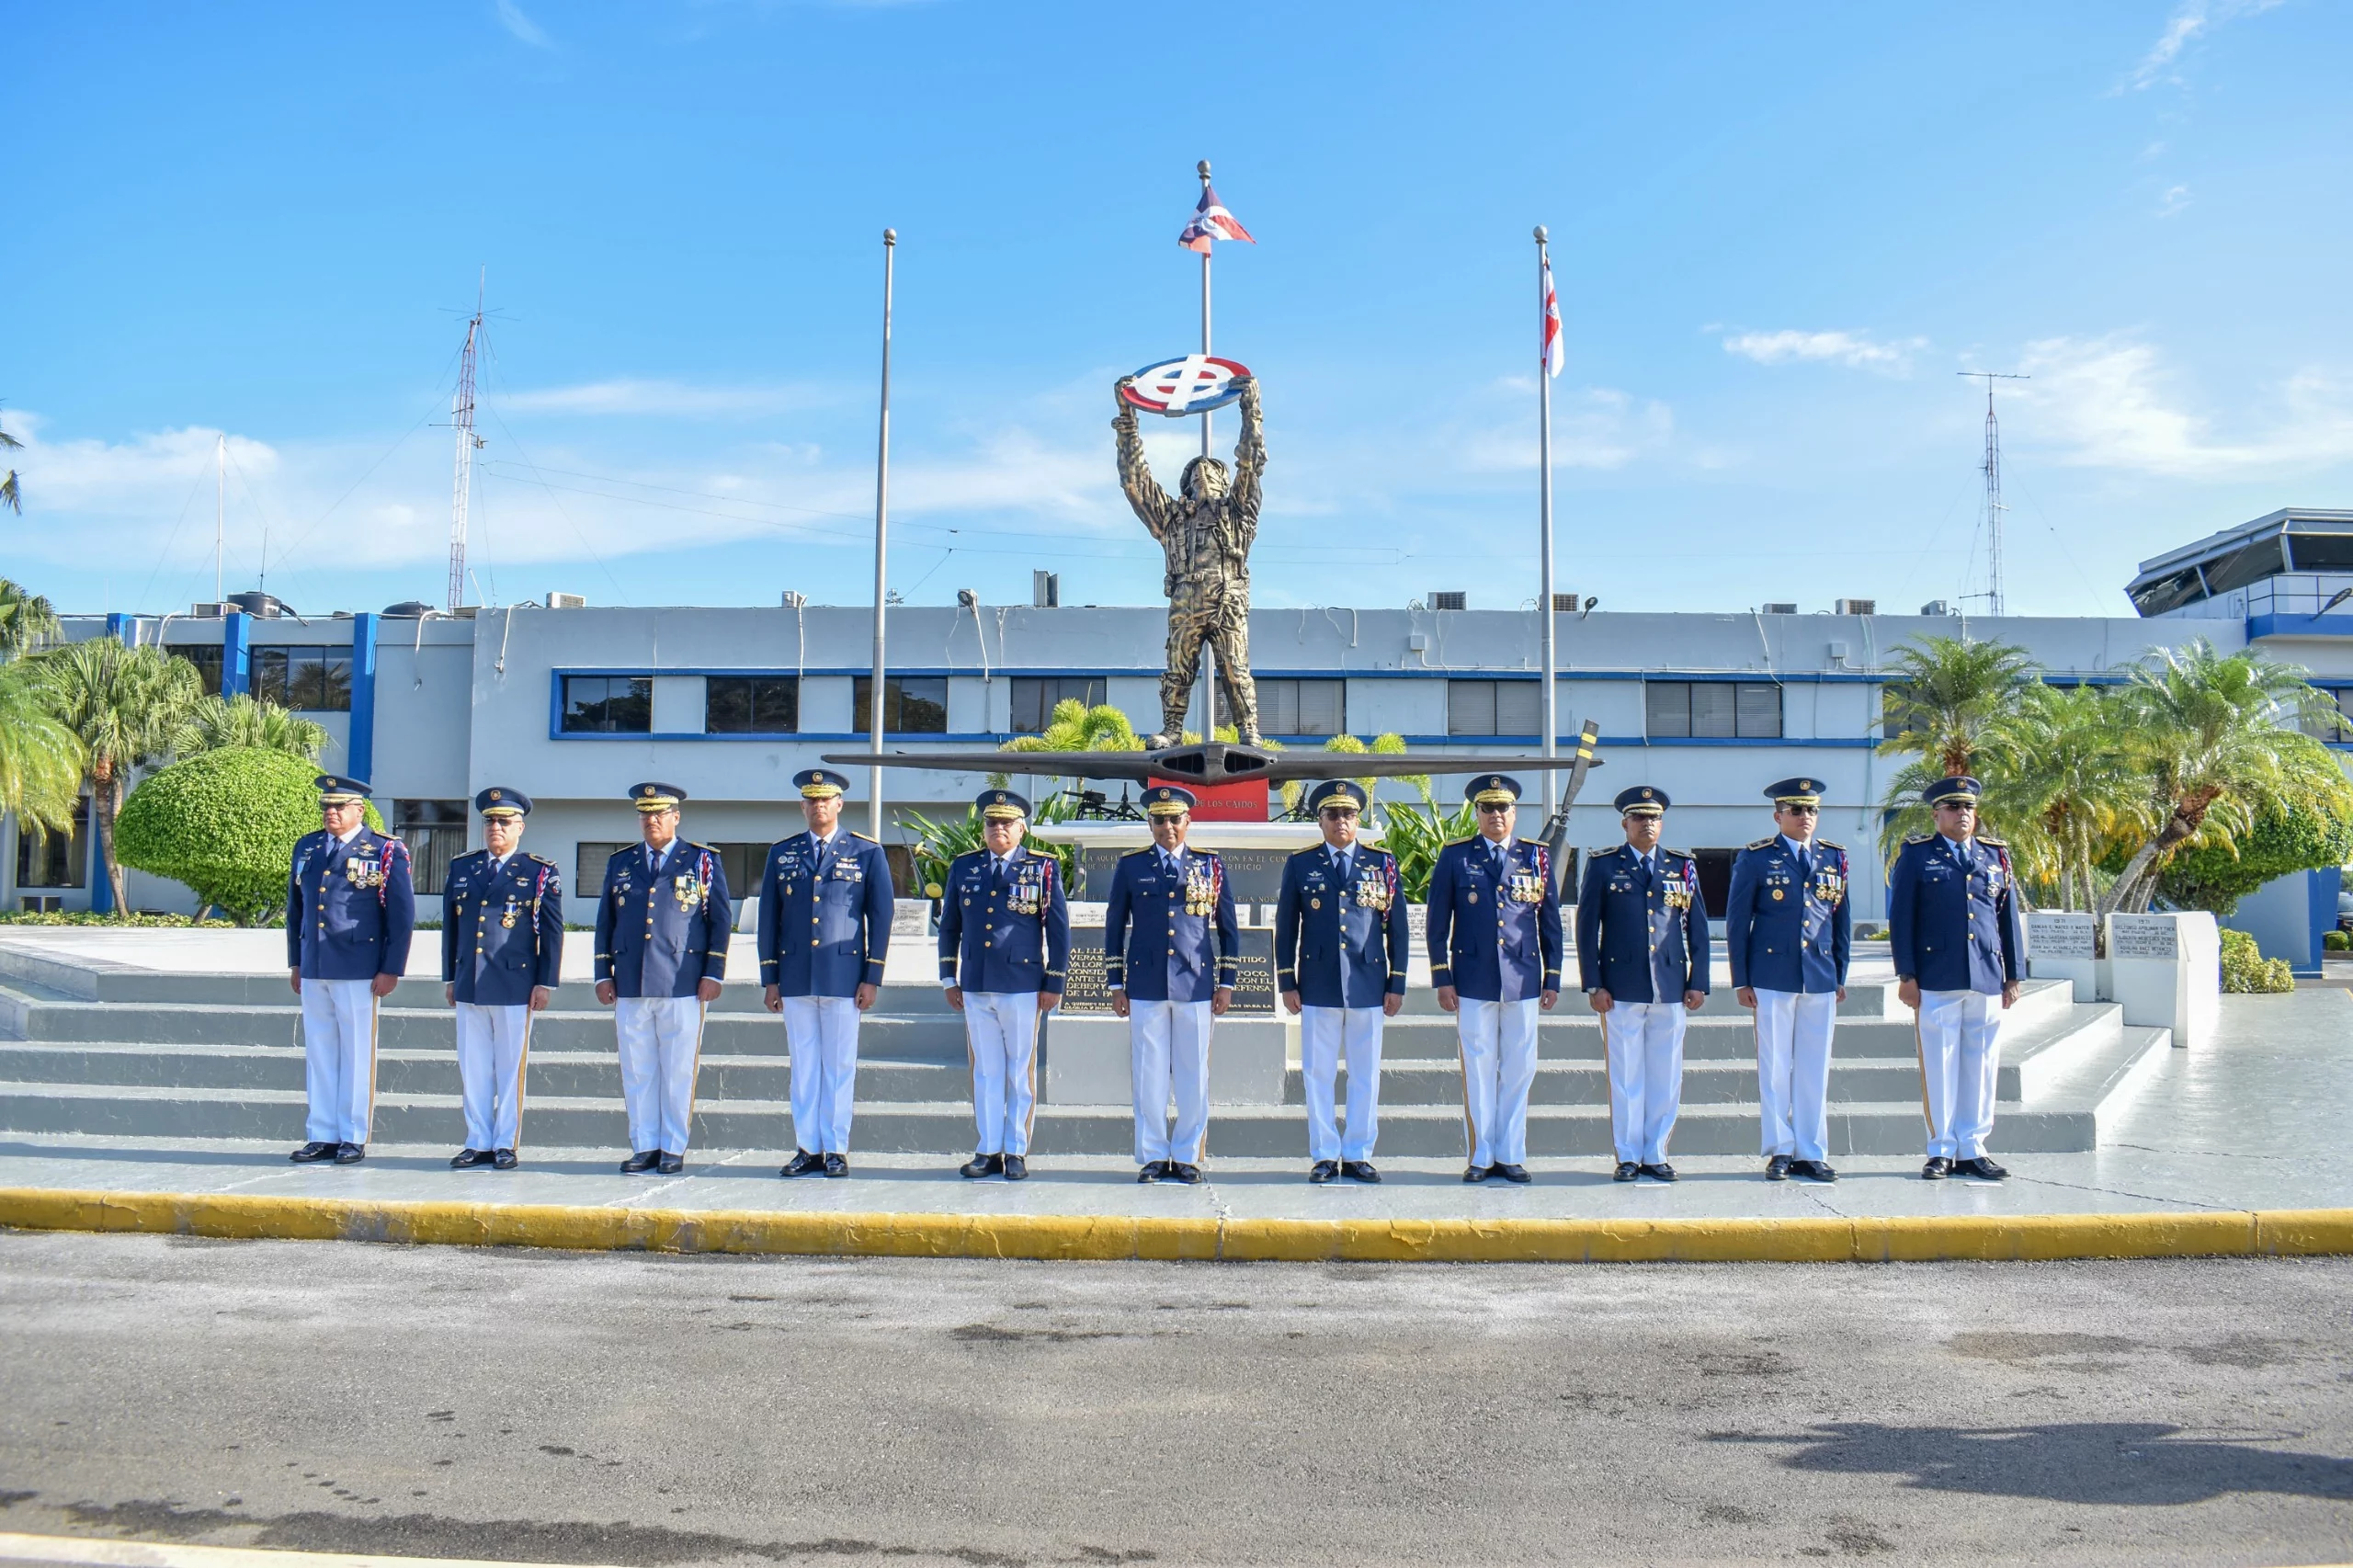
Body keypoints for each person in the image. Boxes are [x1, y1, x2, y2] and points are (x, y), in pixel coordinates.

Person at [1112, 371, 1267, 745]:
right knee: (1178, 668)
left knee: (1236, 669)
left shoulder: (1239, 511)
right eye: (1196, 473)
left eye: (1212, 472)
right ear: (1186, 485)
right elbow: (1135, 480)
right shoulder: (1171, 518)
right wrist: (1128, 419)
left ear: (1224, 482)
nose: (1204, 474)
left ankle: (1248, 730)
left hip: (1228, 596)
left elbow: (1250, 462)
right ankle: (1173, 729)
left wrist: (1251, 410)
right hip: (1185, 598)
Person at [1887, 773, 2024, 1182]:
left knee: (1982, 1065)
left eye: (1967, 807)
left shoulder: (1995, 856)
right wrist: (1906, 974)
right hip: (1936, 976)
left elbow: (2007, 919)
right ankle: (1942, 1149)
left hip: (1985, 974)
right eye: (1952, 807)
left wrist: (2013, 975)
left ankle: (1974, 1148)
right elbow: (1901, 919)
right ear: (1936, 814)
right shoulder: (1916, 855)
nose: (1961, 814)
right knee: (1940, 1063)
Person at [1427, 775, 1562, 1186]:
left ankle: (1511, 1152)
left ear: (1514, 813)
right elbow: (1437, 923)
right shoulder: (1455, 857)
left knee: (1520, 1067)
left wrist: (1552, 976)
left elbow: (1550, 922)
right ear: (1477, 813)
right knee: (1479, 1065)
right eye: (1488, 808)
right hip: (1472, 976)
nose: (1496, 815)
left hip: (1521, 976)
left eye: (1503, 808)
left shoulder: (1536, 858)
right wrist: (1441, 977)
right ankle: (1482, 1153)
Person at [761, 767, 894, 1178]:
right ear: (803, 806)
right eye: (811, 800)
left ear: (839, 804)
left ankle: (836, 1148)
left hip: (843, 976)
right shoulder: (781, 853)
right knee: (804, 1066)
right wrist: (770, 978)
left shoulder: (866, 851)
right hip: (797, 975)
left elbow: (881, 915)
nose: (819, 806)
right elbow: (769, 917)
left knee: (838, 1065)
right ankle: (807, 1148)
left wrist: (872, 977)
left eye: (826, 799)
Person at [1103, 785, 1238, 1185]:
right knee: (1149, 1072)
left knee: (1194, 1073)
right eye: (1159, 820)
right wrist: (1115, 983)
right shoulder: (1131, 866)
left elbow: (1228, 929)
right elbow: (1114, 928)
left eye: (1175, 819)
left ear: (1188, 821)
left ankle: (1187, 1155)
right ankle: (1153, 1155)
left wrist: (1226, 982)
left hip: (1195, 982)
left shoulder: (1209, 866)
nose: (1167, 827)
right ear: (1150, 823)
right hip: (1145, 983)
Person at [1274, 779, 1407, 1184]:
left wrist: (1396, 982)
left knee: (1365, 1071)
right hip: (1319, 981)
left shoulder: (1381, 863)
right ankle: (1325, 1154)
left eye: (1348, 814)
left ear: (1359, 819)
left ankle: (1359, 1153)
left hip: (1368, 981)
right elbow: (1286, 926)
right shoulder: (1301, 864)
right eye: (1332, 814)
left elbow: (1397, 928)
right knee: (1318, 1072)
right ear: (1320, 820)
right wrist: (1287, 981)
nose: (1341, 821)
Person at [595, 782, 730, 1176]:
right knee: (638, 1070)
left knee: (677, 1070)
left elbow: (720, 920)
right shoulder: (621, 862)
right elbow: (607, 921)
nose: (651, 820)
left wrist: (712, 972)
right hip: (631, 982)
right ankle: (645, 1145)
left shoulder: (701, 861)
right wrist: (603, 973)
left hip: (681, 981)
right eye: (645, 814)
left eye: (659, 813)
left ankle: (672, 1146)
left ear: (676, 817)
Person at [1576, 786, 1710, 1184]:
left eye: (1653, 818)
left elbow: (1697, 928)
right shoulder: (1603, 865)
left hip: (1669, 983)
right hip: (1621, 985)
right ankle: (1629, 1154)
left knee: (1665, 1074)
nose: (1646, 824)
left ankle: (1656, 1151)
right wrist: (1593, 983)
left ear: (1661, 823)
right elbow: (1587, 929)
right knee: (1626, 1074)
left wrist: (1698, 980)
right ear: (1625, 823)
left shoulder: (1681, 866)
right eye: (1638, 817)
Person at [938, 788, 1069, 1180]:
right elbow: (950, 927)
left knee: (1018, 1072)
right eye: (992, 823)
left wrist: (1054, 981)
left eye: (1006, 823)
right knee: (985, 1071)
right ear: (983, 829)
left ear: (1022, 828)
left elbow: (1058, 929)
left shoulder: (1042, 868)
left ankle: (1015, 1150)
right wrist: (949, 976)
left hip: (1023, 984)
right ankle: (987, 1149)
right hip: (976, 983)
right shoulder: (965, 867)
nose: (999, 829)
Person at [1723, 777, 1849, 1184]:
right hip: (1772, 975)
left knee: (1814, 1069)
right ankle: (1780, 1148)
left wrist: (1840, 974)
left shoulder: (1834, 858)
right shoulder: (1757, 858)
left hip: (1819, 975)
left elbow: (1840, 921)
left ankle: (1811, 1151)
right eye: (1796, 810)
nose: (1805, 817)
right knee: (1775, 1066)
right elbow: (1738, 921)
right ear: (1778, 816)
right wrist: (1741, 978)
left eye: (1811, 809)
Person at [285, 775, 415, 1166]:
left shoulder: (384, 850)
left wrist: (391, 968)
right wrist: (296, 960)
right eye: (327, 806)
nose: (331, 813)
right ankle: (322, 1132)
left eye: (340, 807)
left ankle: (353, 1135)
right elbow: (297, 910)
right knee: (321, 1052)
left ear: (359, 809)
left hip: (360, 967)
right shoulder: (308, 847)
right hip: (316, 964)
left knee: (357, 1052)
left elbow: (401, 914)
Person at [440, 786, 563, 1171]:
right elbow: (452, 928)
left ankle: (505, 1142)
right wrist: (450, 977)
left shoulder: (538, 871)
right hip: (471, 982)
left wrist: (546, 982)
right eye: (490, 821)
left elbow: (552, 931)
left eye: (504, 821)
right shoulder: (463, 867)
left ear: (520, 827)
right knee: (473, 1065)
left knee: (510, 1068)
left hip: (514, 982)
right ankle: (477, 1140)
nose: (496, 827)